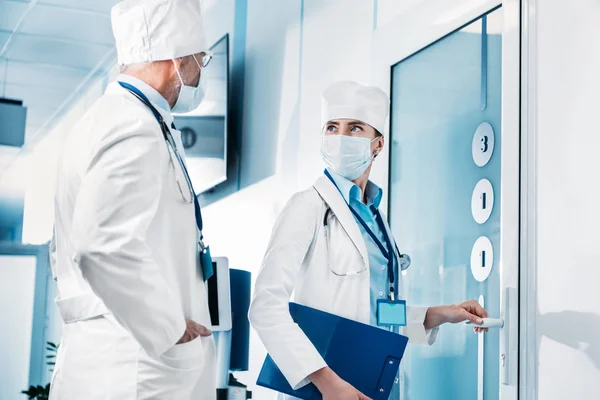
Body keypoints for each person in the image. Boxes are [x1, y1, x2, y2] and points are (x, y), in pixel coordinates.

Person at [248, 81, 489, 400]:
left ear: (378, 145)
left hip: (373, 384)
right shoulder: (307, 206)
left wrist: (441, 313)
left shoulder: (376, 219)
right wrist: (329, 385)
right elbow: (265, 308)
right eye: (332, 127)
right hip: (326, 391)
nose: (340, 137)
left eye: (355, 128)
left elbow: (378, 311)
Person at [49, 0, 216, 398]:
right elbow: (102, 245)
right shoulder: (132, 125)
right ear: (178, 57)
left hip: (117, 358)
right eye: (201, 60)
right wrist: (170, 328)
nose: (199, 72)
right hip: (134, 367)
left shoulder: (116, 119)